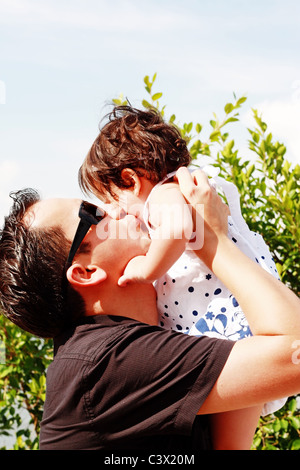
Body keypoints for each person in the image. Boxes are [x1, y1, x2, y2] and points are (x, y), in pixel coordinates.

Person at [0, 169, 299, 451]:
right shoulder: (105, 364)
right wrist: (213, 238)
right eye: (93, 213)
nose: (116, 209)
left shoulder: (139, 342)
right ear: (86, 273)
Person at [78, 106, 285, 442]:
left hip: (230, 324)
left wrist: (146, 269)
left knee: (231, 438)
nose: (115, 213)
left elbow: (176, 230)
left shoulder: (166, 194)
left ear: (131, 179)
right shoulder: (174, 192)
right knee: (232, 435)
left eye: (113, 199)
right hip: (230, 323)